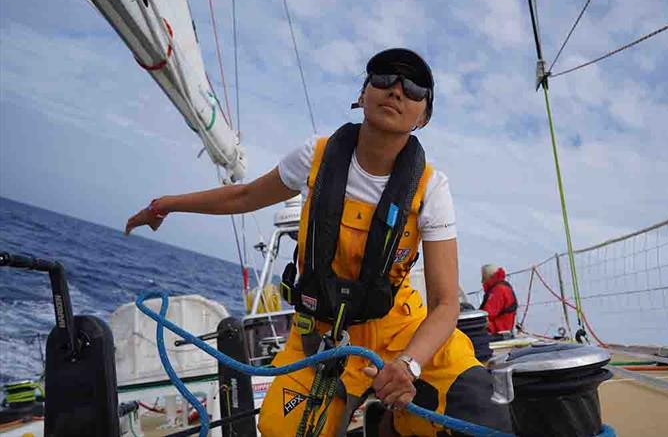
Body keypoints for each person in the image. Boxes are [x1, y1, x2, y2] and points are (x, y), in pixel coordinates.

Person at [125, 48, 512, 437]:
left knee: (479, 410)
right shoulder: (317, 156)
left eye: (413, 87)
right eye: (382, 77)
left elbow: (445, 304)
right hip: (320, 335)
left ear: (423, 117)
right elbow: (243, 197)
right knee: (279, 429)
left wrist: (409, 364)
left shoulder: (432, 188)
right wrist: (165, 205)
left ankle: (391, 425)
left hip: (400, 330)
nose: (396, 90)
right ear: (362, 95)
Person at [479, 264, 518, 335]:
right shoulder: (503, 287)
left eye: (483, 278)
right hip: (504, 327)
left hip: (497, 329)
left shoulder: (498, 291)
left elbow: (488, 313)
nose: (482, 281)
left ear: (488, 277)